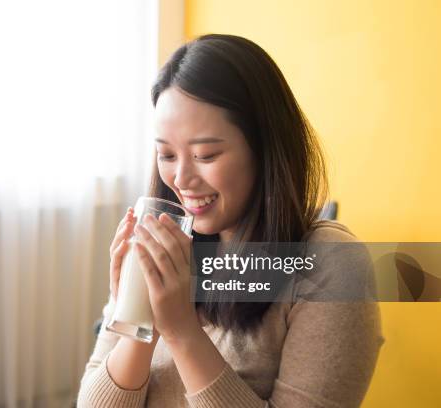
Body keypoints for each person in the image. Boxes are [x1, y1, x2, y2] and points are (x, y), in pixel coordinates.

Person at [77, 34, 383, 408]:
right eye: (167, 154)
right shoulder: (165, 245)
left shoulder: (333, 266)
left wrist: (182, 331)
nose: (181, 180)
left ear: (265, 148)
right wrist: (140, 323)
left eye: (205, 155)